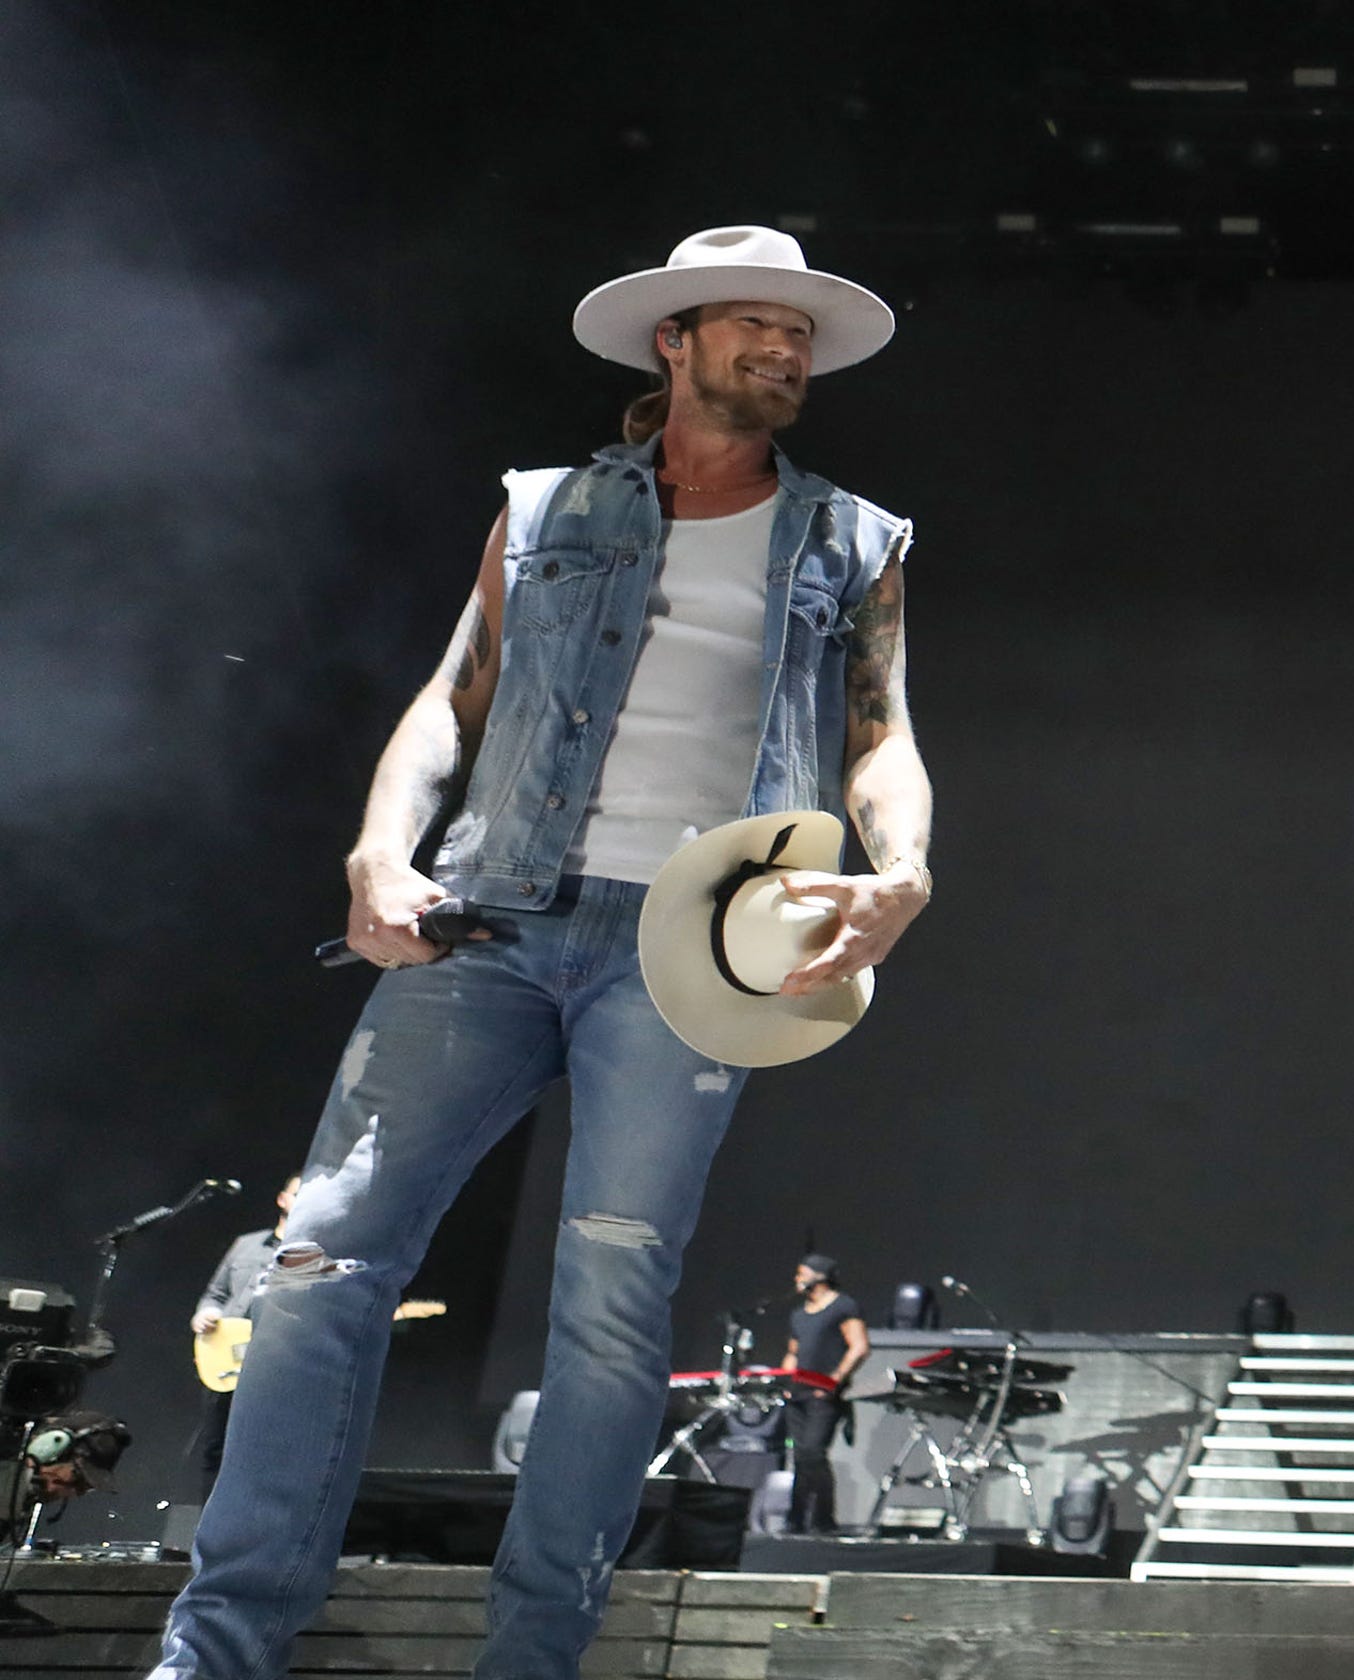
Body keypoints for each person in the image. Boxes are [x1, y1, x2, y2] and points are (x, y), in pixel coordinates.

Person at [156, 226, 933, 1680]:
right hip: (491, 916)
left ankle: (533, 1661)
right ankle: (218, 1651)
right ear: (675, 341)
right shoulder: (543, 505)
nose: (785, 352)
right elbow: (453, 700)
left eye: (801, 335)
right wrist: (381, 852)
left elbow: (881, 737)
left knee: (611, 1306)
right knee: (323, 1262)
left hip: (692, 948)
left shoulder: (853, 538)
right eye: (755, 326)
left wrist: (903, 868)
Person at [183, 1178, 300, 1499]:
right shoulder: (246, 1244)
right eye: (298, 1193)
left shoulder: (314, 1256)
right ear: (282, 1199)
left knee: (263, 1450)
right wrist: (204, 1314)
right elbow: (215, 1294)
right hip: (224, 1359)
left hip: (275, 1364)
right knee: (215, 1448)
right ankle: (209, 1537)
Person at [781, 1252, 868, 1534]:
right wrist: (783, 1381)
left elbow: (859, 1346)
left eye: (801, 1272)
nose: (797, 1278)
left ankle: (823, 1519)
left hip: (824, 1395)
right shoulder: (799, 1315)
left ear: (819, 1276)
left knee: (813, 1452)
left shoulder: (843, 1306)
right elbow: (793, 1353)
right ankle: (795, 1519)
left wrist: (836, 1379)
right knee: (800, 1457)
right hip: (797, 1393)